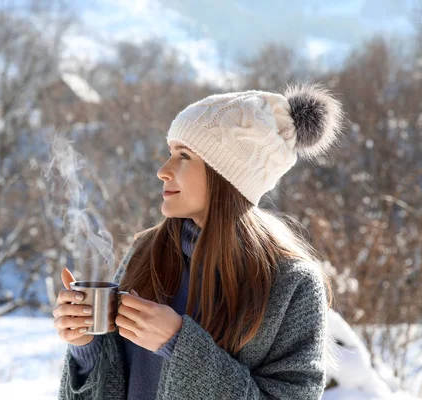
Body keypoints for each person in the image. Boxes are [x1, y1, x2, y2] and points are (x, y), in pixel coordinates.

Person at [53, 83, 345, 399]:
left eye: (184, 155)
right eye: (169, 153)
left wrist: (178, 344)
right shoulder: (146, 253)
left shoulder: (291, 284)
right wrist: (87, 347)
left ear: (227, 174)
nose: (163, 171)